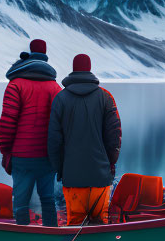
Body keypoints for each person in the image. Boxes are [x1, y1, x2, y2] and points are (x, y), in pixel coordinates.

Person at [47, 53, 121, 225]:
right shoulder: (105, 97)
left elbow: (54, 140)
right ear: (89, 69)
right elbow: (114, 136)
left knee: (74, 224)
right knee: (100, 223)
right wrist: (110, 164)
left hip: (72, 177)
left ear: (74, 69)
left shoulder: (60, 99)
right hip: (100, 176)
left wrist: (60, 168)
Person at [0, 39, 62, 226]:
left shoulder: (15, 85)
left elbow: (7, 122)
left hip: (21, 155)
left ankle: (24, 238)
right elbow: (59, 125)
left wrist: (6, 152)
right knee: (48, 199)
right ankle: (51, 238)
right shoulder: (55, 88)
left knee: (20, 201)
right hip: (46, 155)